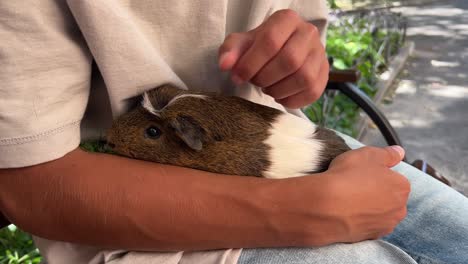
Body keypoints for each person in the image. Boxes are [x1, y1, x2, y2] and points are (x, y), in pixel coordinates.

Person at [0, 1, 467, 264]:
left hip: (290, 139)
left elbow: (302, 36)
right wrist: (308, 210)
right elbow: (30, 188)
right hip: (146, 232)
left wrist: (301, 61)